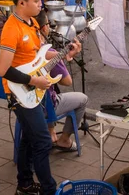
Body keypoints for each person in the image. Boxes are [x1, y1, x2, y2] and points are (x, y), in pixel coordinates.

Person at [0, 0, 81, 195]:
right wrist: (35, 81)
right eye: (36, 0)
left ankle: (24, 184)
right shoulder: (11, 29)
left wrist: (65, 53)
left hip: (35, 89)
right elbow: (3, 70)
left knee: (27, 137)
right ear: (22, 3)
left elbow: (40, 55)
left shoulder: (32, 23)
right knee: (43, 142)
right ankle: (49, 189)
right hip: (20, 92)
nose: (40, 5)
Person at [35, 11, 88, 152]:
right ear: (44, 28)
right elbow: (67, 81)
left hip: (25, 104)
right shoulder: (47, 52)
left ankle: (50, 131)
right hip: (44, 107)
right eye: (48, 24)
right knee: (81, 99)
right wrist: (62, 58)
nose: (50, 28)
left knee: (50, 88)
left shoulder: (25, 48)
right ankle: (64, 140)